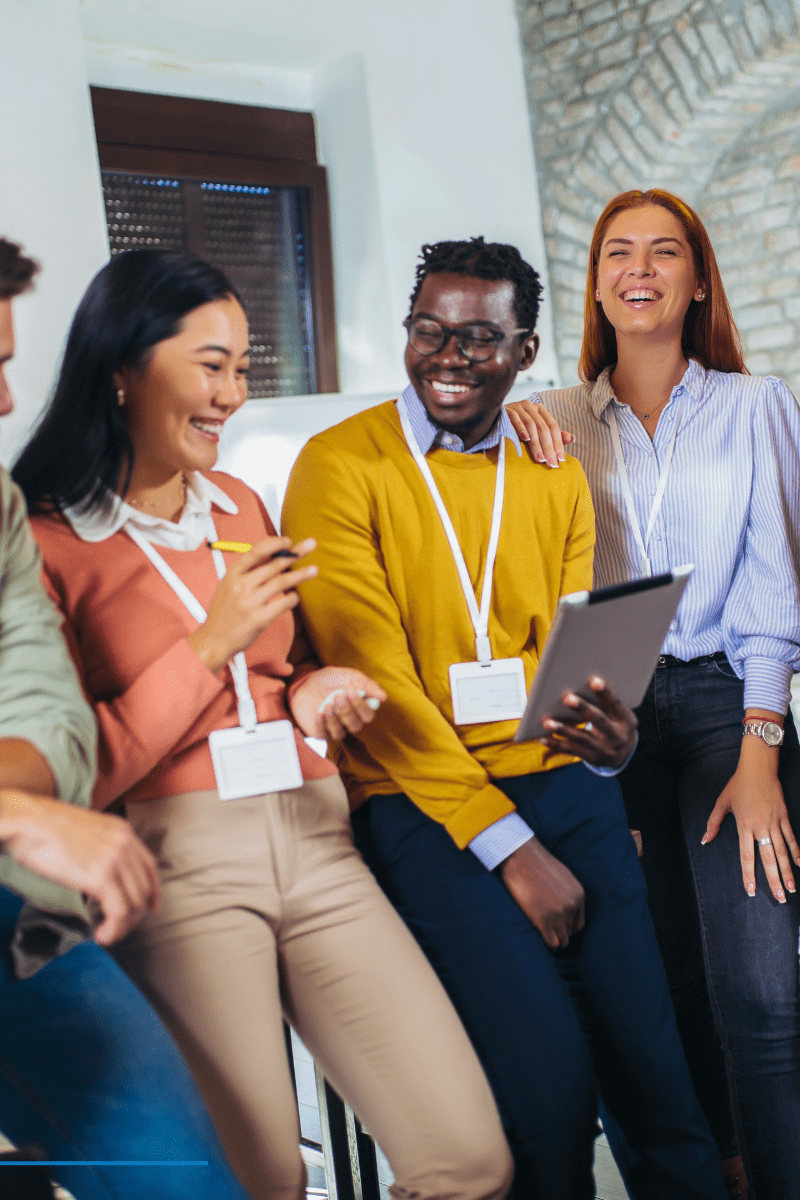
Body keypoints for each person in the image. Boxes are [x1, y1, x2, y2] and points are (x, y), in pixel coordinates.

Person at [13, 248, 514, 1200]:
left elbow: (278, 671)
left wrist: (313, 691)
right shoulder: (46, 542)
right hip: (180, 866)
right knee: (263, 1182)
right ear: (121, 367)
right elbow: (77, 777)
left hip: (319, 841)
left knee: (469, 1160)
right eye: (211, 364)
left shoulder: (241, 505)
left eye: (243, 367)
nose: (233, 393)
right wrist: (208, 641)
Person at [281, 236, 728, 1199]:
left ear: (525, 354)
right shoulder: (337, 466)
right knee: (548, 1107)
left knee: (663, 1092)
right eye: (429, 332)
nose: (449, 355)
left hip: (564, 784)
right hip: (426, 806)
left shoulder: (550, 466)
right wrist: (512, 850)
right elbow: (377, 690)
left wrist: (611, 745)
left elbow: (569, 661)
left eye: (479, 339)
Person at [505, 189, 800, 1200]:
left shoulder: (753, 407)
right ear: (593, 283)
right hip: (603, 708)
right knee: (651, 985)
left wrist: (760, 756)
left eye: (663, 252)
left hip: (726, 705)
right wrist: (506, 425)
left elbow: (773, 591)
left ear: (695, 279)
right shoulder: (542, 420)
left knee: (758, 987)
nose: (639, 269)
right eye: (616, 252)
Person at [0, 237, 250, 1200]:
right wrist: (19, 812)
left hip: (24, 918)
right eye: (210, 364)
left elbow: (47, 718)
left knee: (189, 1185)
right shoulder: (57, 526)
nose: (7, 400)